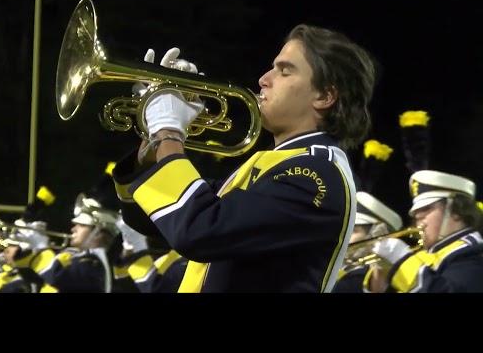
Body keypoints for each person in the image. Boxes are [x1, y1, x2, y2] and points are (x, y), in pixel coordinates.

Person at [113, 24, 376, 292]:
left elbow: (199, 231)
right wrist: (152, 141)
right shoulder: (275, 164)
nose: (264, 78)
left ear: (324, 96)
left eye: (284, 71)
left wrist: (167, 130)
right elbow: (150, 219)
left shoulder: (316, 174)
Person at [365, 110, 483, 293]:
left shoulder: (473, 254)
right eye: (416, 211)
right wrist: (380, 274)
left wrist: (401, 259)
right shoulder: (425, 255)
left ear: (457, 212)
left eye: (427, 208)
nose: (418, 216)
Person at [333, 139, 402, 293]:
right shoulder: (336, 270)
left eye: (354, 231)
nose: (345, 238)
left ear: (377, 235)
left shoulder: (363, 280)